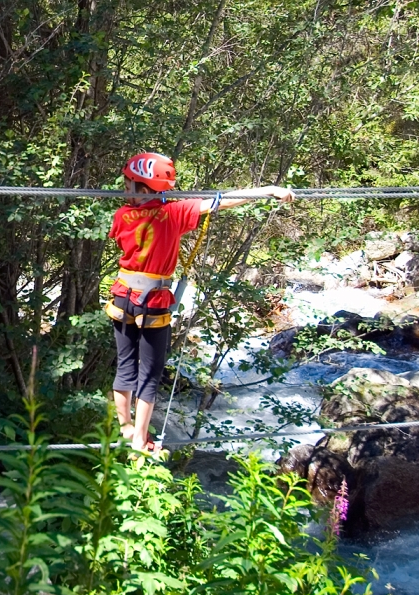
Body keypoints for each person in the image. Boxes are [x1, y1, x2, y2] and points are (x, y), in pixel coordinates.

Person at [107, 152, 294, 452]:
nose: (124, 189)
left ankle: (126, 428)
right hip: (152, 302)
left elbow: (120, 237)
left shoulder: (121, 215)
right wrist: (268, 191)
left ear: (142, 189)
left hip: (122, 298)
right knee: (149, 375)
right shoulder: (174, 213)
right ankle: (141, 440)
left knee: (125, 366)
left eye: (128, 184)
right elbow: (222, 201)